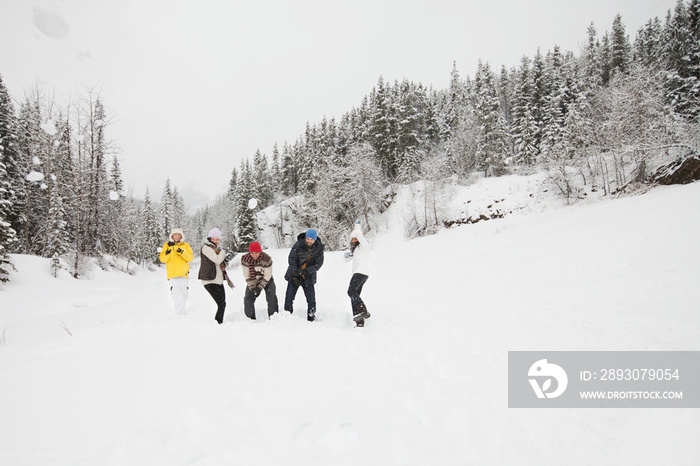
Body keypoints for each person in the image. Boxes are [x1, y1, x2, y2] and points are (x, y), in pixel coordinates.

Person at [284, 228, 324, 321]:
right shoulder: (298, 244)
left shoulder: (319, 248)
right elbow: (292, 259)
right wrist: (296, 272)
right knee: (289, 297)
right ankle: (286, 315)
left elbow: (318, 264)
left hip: (308, 276)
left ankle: (311, 317)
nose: (309, 241)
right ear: (305, 238)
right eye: (308, 239)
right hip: (294, 275)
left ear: (315, 240)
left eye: (311, 239)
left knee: (311, 299)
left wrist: (306, 271)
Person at [198, 228, 232, 324]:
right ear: (209, 238)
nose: (216, 241)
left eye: (217, 239)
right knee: (221, 303)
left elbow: (220, 263)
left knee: (223, 304)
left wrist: (227, 260)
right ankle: (218, 323)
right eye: (214, 239)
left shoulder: (218, 250)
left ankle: (219, 322)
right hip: (209, 280)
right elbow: (216, 259)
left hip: (218, 280)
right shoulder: (206, 248)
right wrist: (223, 252)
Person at [158, 228, 194, 316]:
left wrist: (182, 252)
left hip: (183, 274)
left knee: (184, 294)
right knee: (176, 295)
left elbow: (190, 258)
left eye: (178, 235)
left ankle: (182, 309)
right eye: (175, 235)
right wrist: (167, 253)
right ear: (172, 236)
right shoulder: (167, 245)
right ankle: (180, 314)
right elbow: (162, 259)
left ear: (181, 236)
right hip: (172, 274)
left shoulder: (185, 245)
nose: (177, 236)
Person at [241, 241, 279, 320]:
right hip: (252, 279)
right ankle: (250, 318)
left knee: (271, 296)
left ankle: (274, 317)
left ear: (260, 252)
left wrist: (259, 288)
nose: (254, 255)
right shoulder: (245, 260)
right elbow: (246, 275)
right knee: (248, 298)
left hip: (266, 280)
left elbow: (267, 275)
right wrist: (252, 287)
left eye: (256, 253)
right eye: (252, 253)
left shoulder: (267, 259)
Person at [344, 222, 372, 327]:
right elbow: (346, 260)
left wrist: (357, 227)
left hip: (361, 272)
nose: (354, 240)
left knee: (351, 291)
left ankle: (363, 310)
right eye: (353, 239)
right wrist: (347, 256)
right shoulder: (356, 250)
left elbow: (359, 235)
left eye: (355, 238)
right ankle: (359, 321)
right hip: (360, 273)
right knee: (354, 296)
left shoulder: (364, 245)